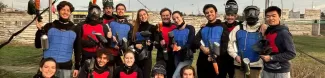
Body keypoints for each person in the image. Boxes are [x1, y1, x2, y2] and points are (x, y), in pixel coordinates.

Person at [34, 1, 78, 78]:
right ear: (58, 11)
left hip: (65, 67)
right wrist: (39, 31)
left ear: (70, 12)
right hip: (47, 65)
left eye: (68, 10)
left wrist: (77, 67)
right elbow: (38, 45)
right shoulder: (49, 26)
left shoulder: (75, 29)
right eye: (63, 9)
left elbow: (78, 49)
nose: (65, 12)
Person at [228, 5, 267, 78]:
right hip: (239, 64)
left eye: (253, 12)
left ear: (257, 14)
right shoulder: (238, 28)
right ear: (245, 14)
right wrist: (235, 56)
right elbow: (229, 44)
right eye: (248, 13)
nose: (251, 14)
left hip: (256, 65)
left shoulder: (262, 29)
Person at [194, 4, 229, 78]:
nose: (209, 14)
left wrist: (214, 55)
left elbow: (224, 45)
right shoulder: (203, 28)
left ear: (216, 13)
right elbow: (196, 40)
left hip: (218, 61)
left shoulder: (222, 27)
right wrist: (203, 48)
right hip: (203, 60)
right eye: (207, 13)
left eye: (211, 11)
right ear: (205, 15)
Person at [74, 4, 111, 73]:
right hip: (85, 55)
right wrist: (77, 65)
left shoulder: (103, 26)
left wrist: (110, 38)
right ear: (89, 12)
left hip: (99, 57)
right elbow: (77, 44)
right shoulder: (81, 25)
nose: (94, 13)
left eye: (96, 11)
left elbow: (108, 44)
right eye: (92, 11)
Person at [261, 6, 296, 78]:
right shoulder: (268, 31)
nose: (270, 18)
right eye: (268, 16)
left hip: (280, 72)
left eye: (273, 16)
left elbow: (291, 53)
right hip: (267, 70)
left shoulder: (284, 33)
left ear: (279, 17)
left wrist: (271, 58)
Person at [131, 9, 156, 78]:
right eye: (140, 15)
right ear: (138, 17)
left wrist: (150, 43)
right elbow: (131, 41)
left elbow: (154, 43)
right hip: (136, 55)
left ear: (147, 15)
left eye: (144, 14)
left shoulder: (153, 27)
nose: (143, 16)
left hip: (146, 57)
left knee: (146, 76)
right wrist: (135, 45)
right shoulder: (135, 28)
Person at [170, 11, 195, 78]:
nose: (176, 20)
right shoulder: (174, 31)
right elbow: (171, 43)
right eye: (174, 19)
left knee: (175, 76)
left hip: (186, 56)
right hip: (177, 56)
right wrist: (172, 45)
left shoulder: (190, 28)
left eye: (177, 17)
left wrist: (180, 47)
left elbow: (190, 43)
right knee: (181, 76)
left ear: (182, 17)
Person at [155, 8, 177, 78]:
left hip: (172, 54)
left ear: (170, 15)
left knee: (171, 73)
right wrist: (159, 44)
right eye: (163, 15)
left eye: (167, 15)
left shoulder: (175, 26)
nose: (165, 17)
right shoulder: (158, 27)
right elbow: (155, 43)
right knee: (160, 74)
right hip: (161, 54)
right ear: (161, 16)